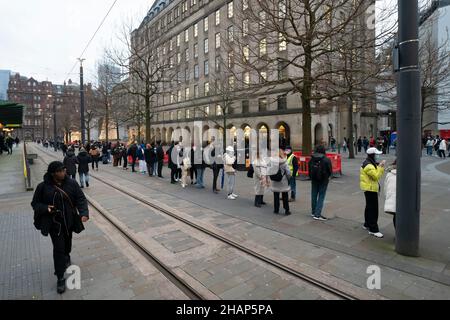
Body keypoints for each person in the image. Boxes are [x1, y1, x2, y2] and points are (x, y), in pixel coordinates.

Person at [31, 161, 89, 294]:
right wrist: (46, 208)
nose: (64, 172)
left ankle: (67, 255)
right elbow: (35, 204)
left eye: (64, 170)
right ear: (53, 173)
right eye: (60, 171)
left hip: (69, 222)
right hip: (54, 225)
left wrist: (84, 213)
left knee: (67, 244)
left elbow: (81, 198)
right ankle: (60, 277)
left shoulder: (72, 183)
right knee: (58, 249)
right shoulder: (43, 187)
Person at [360, 147, 386, 238]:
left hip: (369, 188)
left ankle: (367, 224)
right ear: (373, 155)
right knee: (373, 209)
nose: (378, 156)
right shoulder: (369, 165)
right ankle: (373, 229)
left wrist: (378, 166)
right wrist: (381, 167)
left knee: (369, 207)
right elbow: (376, 176)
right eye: (377, 154)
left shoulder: (369, 163)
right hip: (370, 189)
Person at [308, 145, 333, 221]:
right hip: (323, 180)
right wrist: (329, 177)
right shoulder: (326, 159)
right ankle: (317, 214)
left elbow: (309, 169)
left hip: (314, 179)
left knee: (314, 195)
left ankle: (313, 212)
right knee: (321, 196)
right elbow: (330, 170)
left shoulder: (312, 158)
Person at [269, 149, 292, 215]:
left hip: (275, 181)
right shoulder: (284, 162)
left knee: (276, 196)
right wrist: (289, 178)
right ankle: (286, 210)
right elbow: (288, 172)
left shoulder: (271, 161)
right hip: (283, 181)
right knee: (285, 196)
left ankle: (276, 210)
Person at [384, 160, 397, 230]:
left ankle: (397, 232)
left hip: (392, 199)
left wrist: (387, 197)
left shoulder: (389, 174)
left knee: (396, 216)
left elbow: (385, 188)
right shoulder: (406, 174)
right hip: (402, 200)